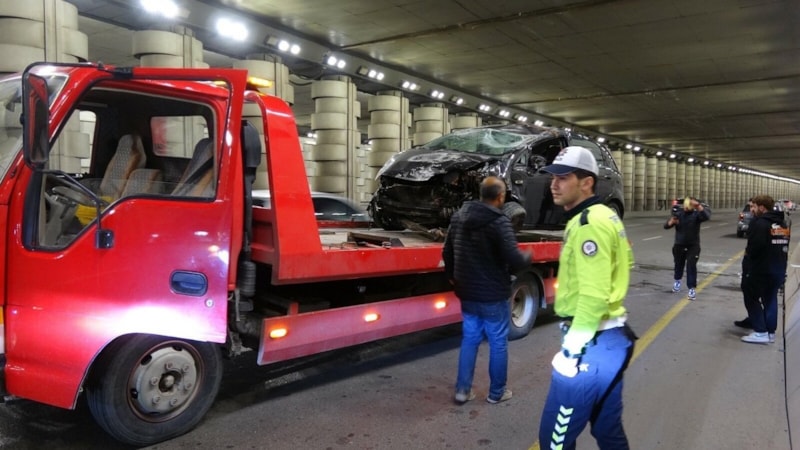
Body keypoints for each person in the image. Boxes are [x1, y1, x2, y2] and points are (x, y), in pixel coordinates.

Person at [537, 146, 636, 449]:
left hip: (590, 348)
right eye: (553, 177)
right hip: (612, 340)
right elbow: (626, 264)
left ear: (587, 182)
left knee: (554, 441)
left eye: (563, 177)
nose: (554, 184)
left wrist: (571, 351)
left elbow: (593, 295)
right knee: (607, 431)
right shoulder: (605, 214)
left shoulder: (587, 225)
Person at [442, 176, 532, 404]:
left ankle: (463, 391)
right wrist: (527, 257)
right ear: (500, 197)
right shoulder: (499, 221)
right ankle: (496, 393)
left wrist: (452, 277)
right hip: (493, 294)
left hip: (467, 293)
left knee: (470, 339)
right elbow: (513, 258)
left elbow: (447, 252)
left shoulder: (459, 217)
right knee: (498, 342)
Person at [739, 195, 790, 344]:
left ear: (762, 207)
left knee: (750, 296)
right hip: (778, 268)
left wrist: (748, 261)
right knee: (770, 298)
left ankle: (761, 331)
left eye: (753, 207)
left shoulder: (760, 223)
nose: (752, 210)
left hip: (761, 269)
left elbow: (754, 248)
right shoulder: (782, 224)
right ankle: (770, 333)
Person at [664, 196, 711, 300]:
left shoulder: (696, 215)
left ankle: (691, 289)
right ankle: (677, 281)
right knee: (678, 264)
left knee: (691, 265)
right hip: (679, 245)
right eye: (685, 205)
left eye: (689, 205)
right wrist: (671, 222)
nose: (686, 207)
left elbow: (707, 216)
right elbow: (666, 226)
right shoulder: (679, 214)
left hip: (693, 245)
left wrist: (698, 206)